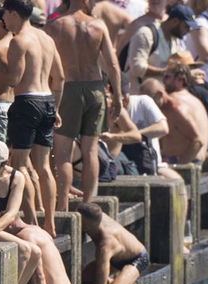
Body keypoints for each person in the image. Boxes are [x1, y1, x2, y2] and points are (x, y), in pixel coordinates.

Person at [47, 0, 122, 213]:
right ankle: (89, 204)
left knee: (63, 152)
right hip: (95, 88)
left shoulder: (56, 26)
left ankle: (62, 206)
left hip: (68, 88)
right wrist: (117, 96)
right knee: (90, 150)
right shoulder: (98, 25)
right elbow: (113, 65)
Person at [0, 0, 64, 237]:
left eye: (5, 14)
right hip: (47, 101)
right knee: (44, 167)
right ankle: (50, 222)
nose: (3, 19)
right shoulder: (46, 38)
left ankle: (30, 221)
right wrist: (56, 108)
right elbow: (60, 78)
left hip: (27, 101)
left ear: (13, 13)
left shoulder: (19, 40)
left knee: (19, 165)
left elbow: (13, 79)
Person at [75, 202, 147, 284]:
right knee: (84, 279)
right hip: (117, 256)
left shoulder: (105, 245)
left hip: (136, 258)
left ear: (85, 224)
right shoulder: (98, 216)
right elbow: (91, 209)